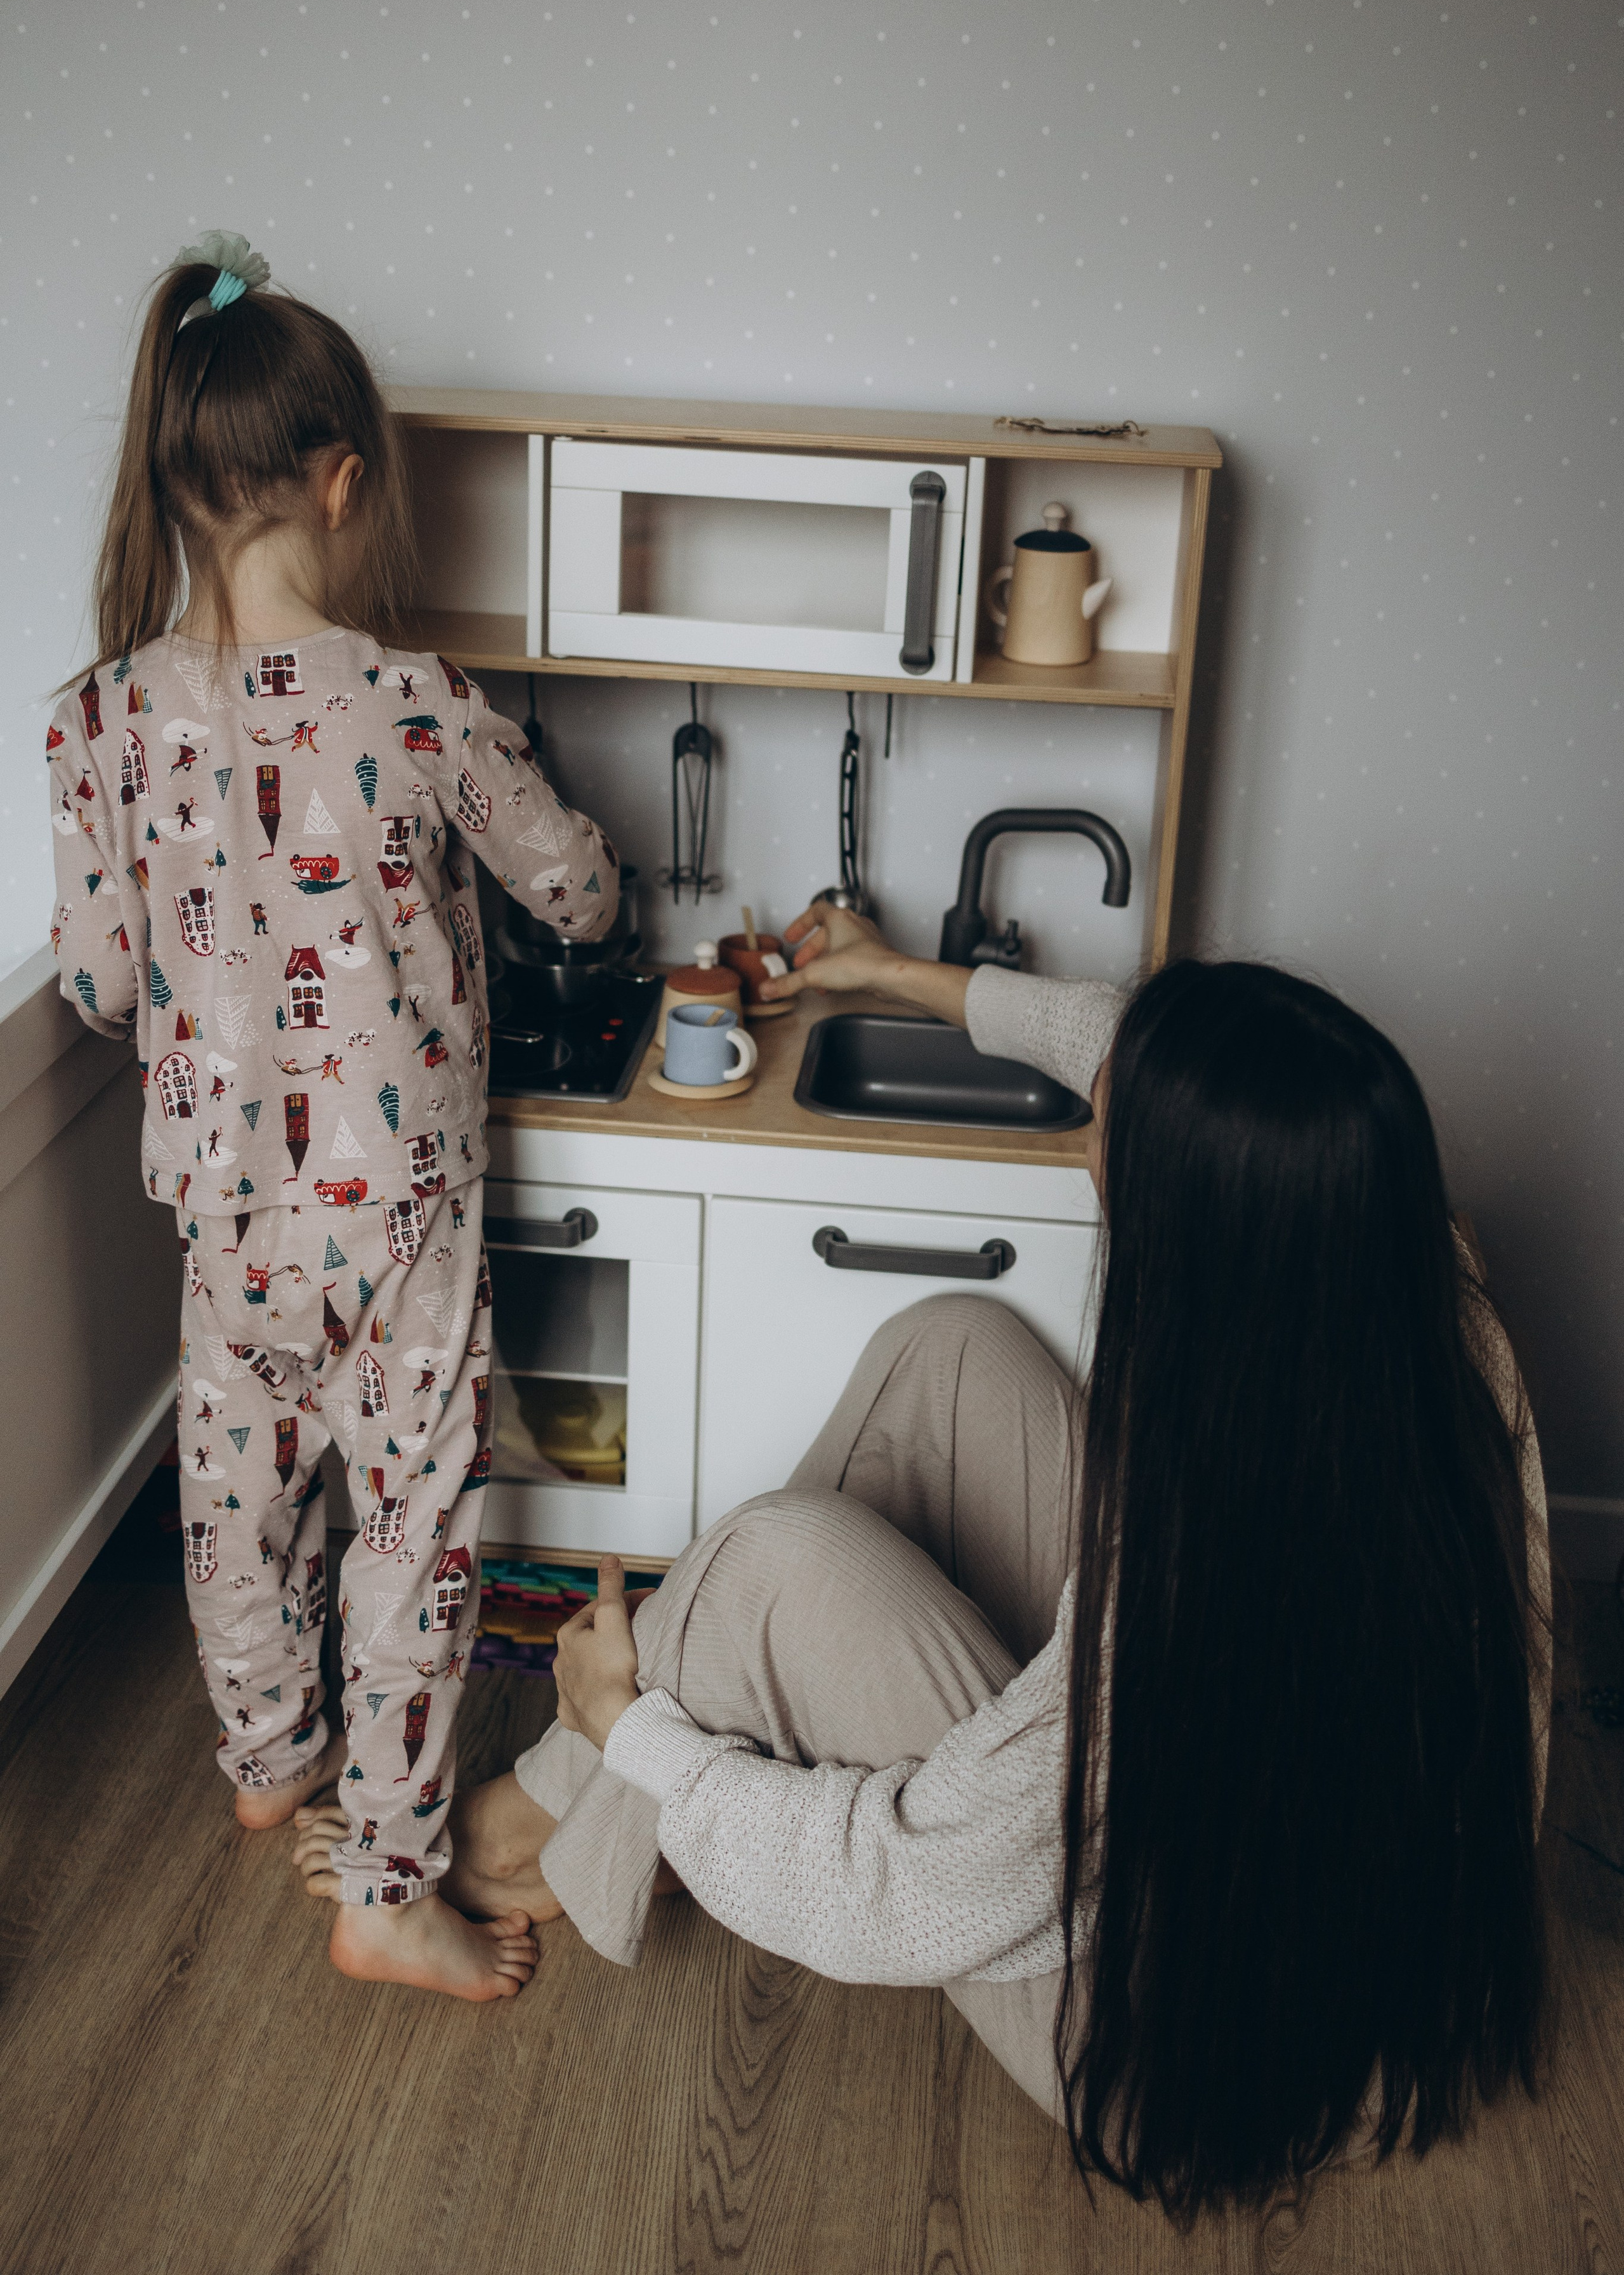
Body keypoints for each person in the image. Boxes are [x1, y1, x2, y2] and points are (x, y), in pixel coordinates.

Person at [414, 901, 1552, 2205]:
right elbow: (1115, 1039)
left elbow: (915, 1887)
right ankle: (577, 1822)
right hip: (1312, 1938)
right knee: (952, 1347)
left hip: (1194, 2057)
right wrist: (890, 974)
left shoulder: (1202, 1581)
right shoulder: (1410, 1298)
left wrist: (641, 1741)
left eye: (1107, 1129)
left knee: (770, 1564)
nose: (1085, 1138)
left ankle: (530, 1825)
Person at [49, 231, 621, 2002]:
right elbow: (582, 896)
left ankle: (269, 1764)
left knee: (233, 1487)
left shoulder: (98, 725)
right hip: (404, 1208)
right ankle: (381, 1880)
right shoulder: (416, 700)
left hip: (224, 1207)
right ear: (345, 478)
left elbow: (96, 986)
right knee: (409, 1517)